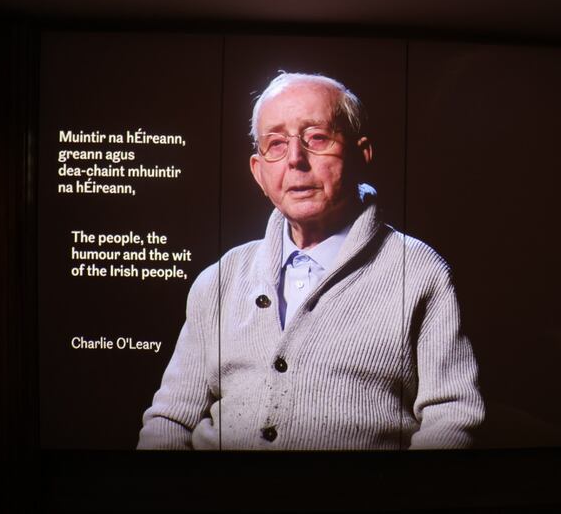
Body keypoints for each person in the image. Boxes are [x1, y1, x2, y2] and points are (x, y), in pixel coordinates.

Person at [137, 72, 484, 450]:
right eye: (276, 144)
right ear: (259, 172)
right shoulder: (220, 279)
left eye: (317, 138)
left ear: (361, 152)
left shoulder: (418, 271)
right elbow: (170, 421)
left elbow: (452, 417)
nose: (296, 160)